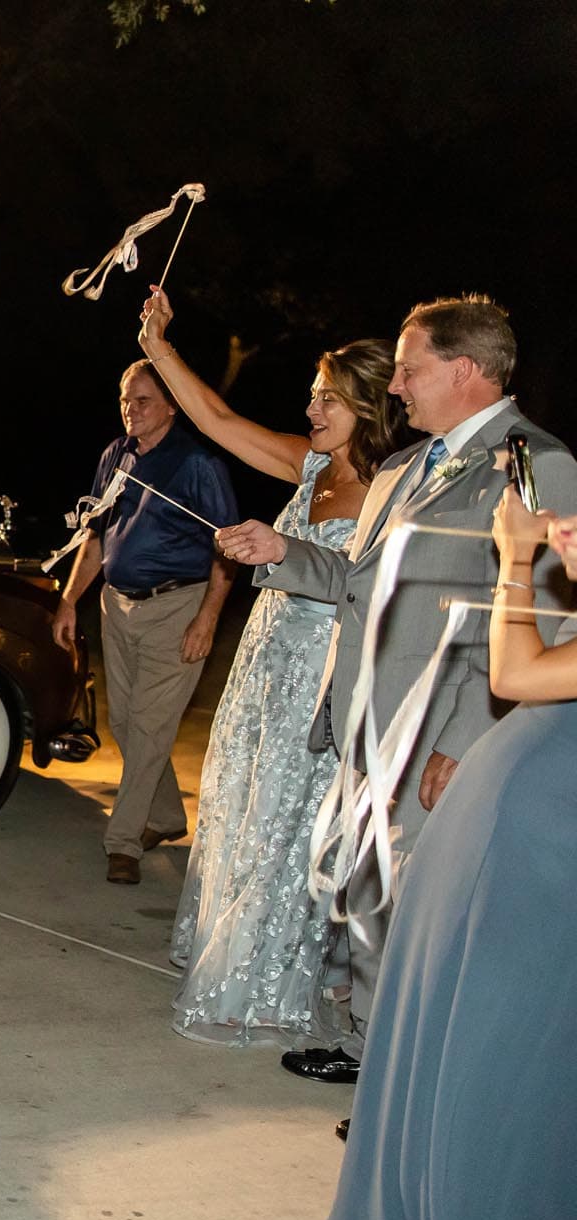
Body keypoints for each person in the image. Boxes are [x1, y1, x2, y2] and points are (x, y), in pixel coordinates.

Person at [218, 294, 577, 1087]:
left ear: (465, 369)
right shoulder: (404, 465)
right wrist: (282, 550)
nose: (396, 387)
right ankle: (369, 1050)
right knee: (370, 893)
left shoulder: (536, 463)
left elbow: (538, 615)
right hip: (365, 717)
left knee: (421, 911)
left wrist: (465, 739)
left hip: (435, 729)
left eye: (410, 370)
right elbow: (362, 580)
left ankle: (409, 1082)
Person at [307, 494, 577, 1220]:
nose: (567, 523)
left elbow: (516, 674)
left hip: (544, 851)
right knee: (450, 1027)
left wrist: (516, 559)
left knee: (505, 1053)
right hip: (509, 829)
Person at [136, 289, 402, 1045]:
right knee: (243, 805)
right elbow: (217, 422)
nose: (313, 407)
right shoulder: (308, 463)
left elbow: (367, 578)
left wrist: (284, 549)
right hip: (263, 660)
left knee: (290, 821)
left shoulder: (393, 487)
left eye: (330, 397)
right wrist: (159, 346)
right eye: (313, 394)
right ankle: (232, 952)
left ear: (368, 403)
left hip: (322, 672)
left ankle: (265, 982)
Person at [53, 360, 238, 885]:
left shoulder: (199, 464)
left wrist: (207, 619)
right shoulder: (116, 455)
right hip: (118, 604)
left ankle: (123, 841)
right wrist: (70, 601)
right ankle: (166, 816)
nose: (130, 410)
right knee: (127, 724)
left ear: (173, 404)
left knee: (153, 727)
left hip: (177, 607)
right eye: (124, 399)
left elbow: (228, 552)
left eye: (143, 401)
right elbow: (95, 536)